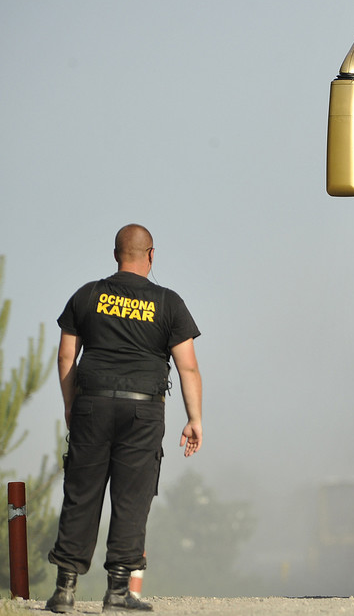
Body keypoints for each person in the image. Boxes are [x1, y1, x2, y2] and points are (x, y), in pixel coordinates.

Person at [45, 224, 203, 613]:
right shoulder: (168, 303)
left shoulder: (87, 295)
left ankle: (65, 590)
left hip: (92, 404)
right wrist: (194, 418)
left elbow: (67, 357)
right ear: (151, 254)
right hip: (142, 410)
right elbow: (188, 367)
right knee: (131, 499)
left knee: (81, 492)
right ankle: (117, 593)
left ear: (116, 254)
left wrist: (71, 405)